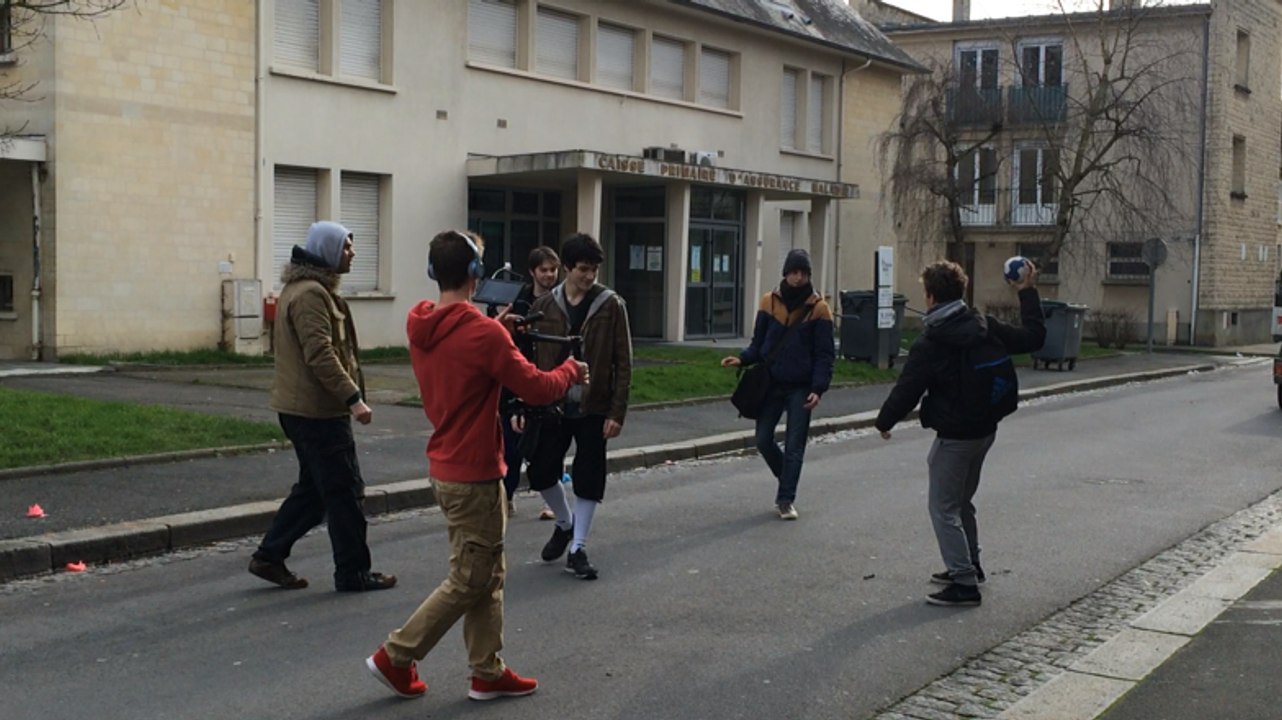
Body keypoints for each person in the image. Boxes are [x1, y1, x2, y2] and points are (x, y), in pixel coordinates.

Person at [365, 229, 586, 702]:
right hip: (475, 472)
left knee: (487, 571)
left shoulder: (422, 322)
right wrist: (571, 370)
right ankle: (396, 655)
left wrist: (501, 330)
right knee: (471, 577)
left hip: (445, 465)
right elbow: (537, 387)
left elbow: (463, 352)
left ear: (432, 272)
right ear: (475, 273)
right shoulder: (483, 334)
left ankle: (487, 670)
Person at [874, 259, 1045, 607]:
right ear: (961, 291)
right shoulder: (985, 325)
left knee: (943, 507)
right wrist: (1027, 291)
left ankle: (964, 583)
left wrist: (884, 422)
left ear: (930, 296)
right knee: (961, 501)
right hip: (985, 430)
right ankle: (971, 565)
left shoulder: (931, 342)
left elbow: (908, 389)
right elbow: (1033, 338)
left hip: (955, 436)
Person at [248, 220, 396, 593]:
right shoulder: (311, 294)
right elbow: (321, 354)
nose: (353, 253)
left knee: (315, 492)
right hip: (317, 413)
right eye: (346, 246)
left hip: (305, 410)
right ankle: (352, 572)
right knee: (345, 492)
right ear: (327, 251)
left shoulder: (307, 289)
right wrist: (353, 398)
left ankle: (269, 556)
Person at [526, 233, 632, 580]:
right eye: (583, 269)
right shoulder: (544, 306)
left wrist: (617, 412)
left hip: (594, 403)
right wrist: (524, 405)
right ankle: (565, 523)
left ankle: (578, 547)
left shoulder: (611, 305)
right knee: (541, 471)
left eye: (594, 270)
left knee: (588, 476)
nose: (589, 276)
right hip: (552, 403)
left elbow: (623, 362)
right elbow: (529, 360)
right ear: (568, 268)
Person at [721, 249, 834, 521]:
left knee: (795, 445)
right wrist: (742, 359)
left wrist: (818, 388)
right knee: (763, 439)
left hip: (801, 386)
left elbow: (825, 354)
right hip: (771, 382)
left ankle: (786, 499)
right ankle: (787, 478)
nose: (798, 277)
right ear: (786, 273)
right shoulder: (769, 302)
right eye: (794, 272)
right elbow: (759, 344)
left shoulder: (819, 308)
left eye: (803, 273)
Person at [499, 246, 561, 518]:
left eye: (553, 270)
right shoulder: (519, 301)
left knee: (549, 446)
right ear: (532, 272)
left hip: (549, 375)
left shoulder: (561, 301)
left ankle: (551, 500)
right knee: (511, 446)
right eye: (544, 270)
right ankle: (507, 496)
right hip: (517, 376)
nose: (549, 275)